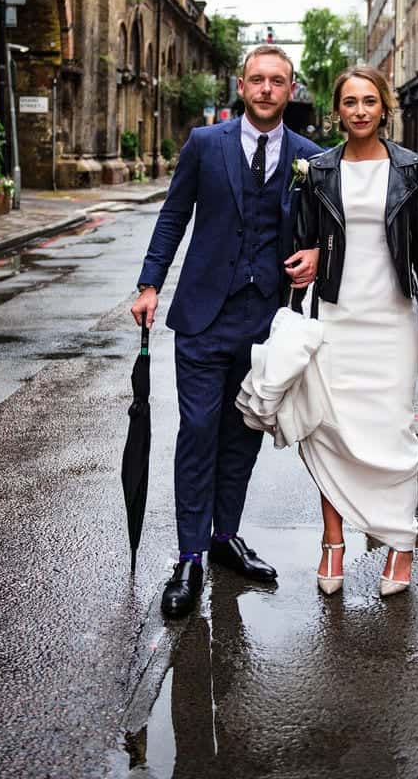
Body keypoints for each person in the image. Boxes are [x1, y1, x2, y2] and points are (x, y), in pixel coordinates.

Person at [131, 45, 322, 618]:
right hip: (204, 314)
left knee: (244, 433)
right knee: (197, 429)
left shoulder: (311, 158)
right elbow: (173, 216)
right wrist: (149, 283)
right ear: (242, 86)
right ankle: (190, 554)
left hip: (267, 322)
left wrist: (316, 255)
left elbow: (326, 232)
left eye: (278, 81)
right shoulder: (204, 144)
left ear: (291, 90)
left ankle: (225, 538)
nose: (267, 89)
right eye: (258, 80)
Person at [295, 65, 418, 597]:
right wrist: (308, 256)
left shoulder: (410, 169)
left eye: (369, 101)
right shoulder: (317, 171)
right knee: (330, 430)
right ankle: (332, 543)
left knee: (393, 432)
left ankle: (400, 545)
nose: (359, 110)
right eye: (349, 102)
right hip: (336, 316)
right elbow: (305, 238)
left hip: (390, 319)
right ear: (337, 111)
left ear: (384, 107)